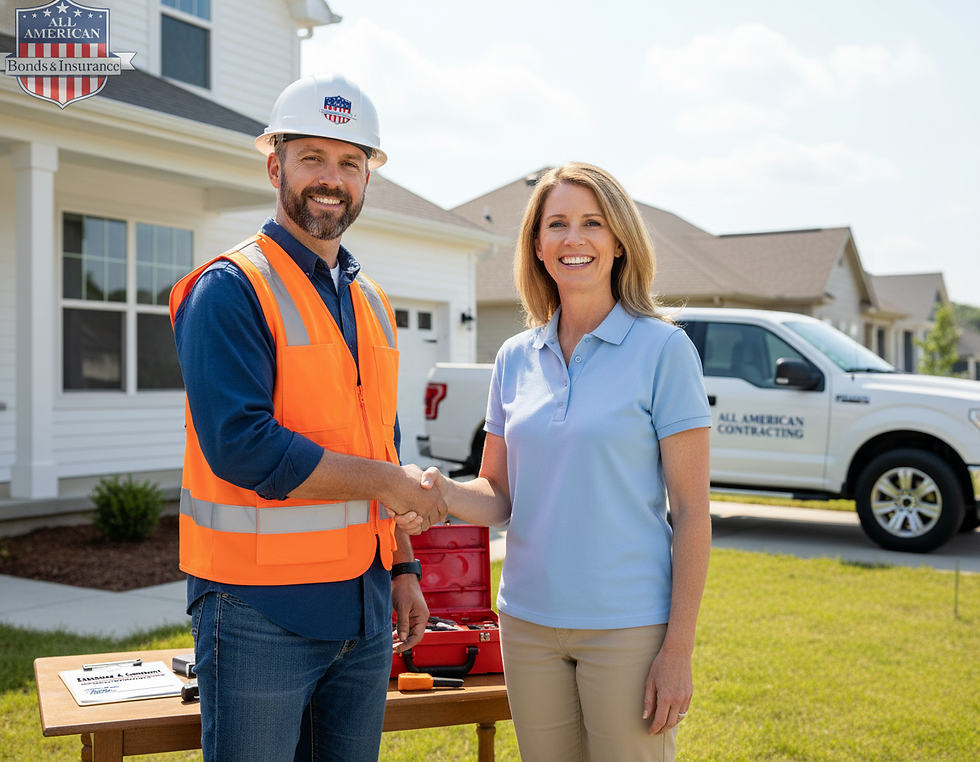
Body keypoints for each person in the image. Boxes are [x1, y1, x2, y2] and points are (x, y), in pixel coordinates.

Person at [169, 73, 447, 762]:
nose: (333, 178)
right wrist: (386, 483)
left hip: (364, 606)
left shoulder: (373, 302)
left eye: (351, 162)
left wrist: (404, 567)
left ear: (367, 180)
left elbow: (379, 439)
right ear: (275, 165)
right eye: (313, 158)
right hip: (258, 612)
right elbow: (243, 446)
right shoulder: (230, 290)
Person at [397, 162, 712, 761]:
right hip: (528, 626)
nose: (575, 239)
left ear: (619, 241)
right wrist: (438, 490)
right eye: (557, 224)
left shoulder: (665, 350)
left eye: (592, 223)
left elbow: (693, 513)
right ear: (537, 247)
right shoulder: (515, 357)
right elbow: (497, 494)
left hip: (628, 627)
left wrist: (677, 651)